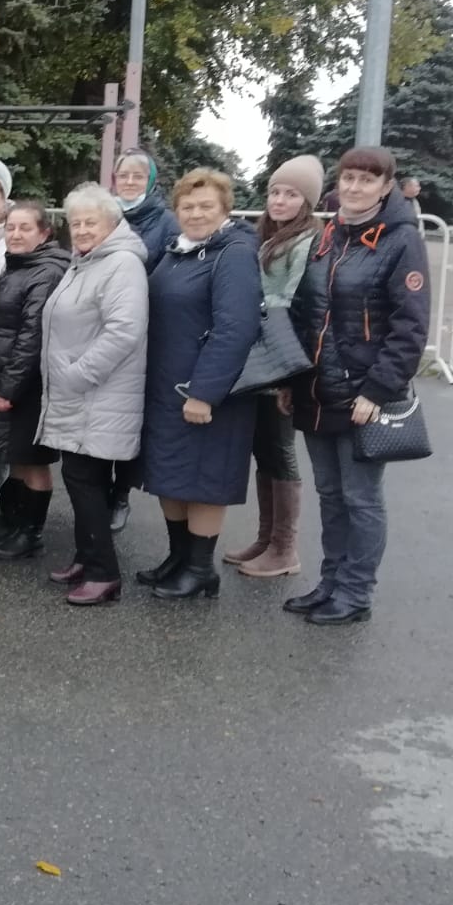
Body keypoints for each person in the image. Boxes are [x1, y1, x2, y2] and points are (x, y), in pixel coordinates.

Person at [282, 146, 429, 624]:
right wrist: (291, 378)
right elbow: (308, 313)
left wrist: (378, 391)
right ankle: (331, 584)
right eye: (348, 178)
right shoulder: (328, 234)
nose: (354, 187)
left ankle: (356, 593)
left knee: (361, 498)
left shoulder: (400, 240)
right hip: (318, 390)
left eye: (367, 180)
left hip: (364, 396)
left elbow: (410, 327)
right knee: (330, 494)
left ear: (386, 186)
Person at [137, 168, 263, 600]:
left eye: (206, 205)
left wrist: (205, 392)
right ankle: (178, 558)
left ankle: (200, 568)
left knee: (205, 479)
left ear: (225, 209)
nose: (196, 213)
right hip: (165, 387)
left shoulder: (234, 253)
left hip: (208, 393)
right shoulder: (179, 251)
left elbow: (237, 327)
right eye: (187, 206)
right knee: (169, 474)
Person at [35, 184, 149, 605]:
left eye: (91, 222)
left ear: (113, 223)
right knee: (85, 478)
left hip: (96, 394)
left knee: (84, 480)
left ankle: (104, 573)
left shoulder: (120, 264)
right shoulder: (85, 262)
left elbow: (125, 330)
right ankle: (88, 557)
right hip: (80, 393)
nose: (81, 230)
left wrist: (79, 375)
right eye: (76, 222)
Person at [223, 155, 323, 579]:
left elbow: (297, 301)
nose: (280, 200)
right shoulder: (271, 236)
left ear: (307, 201)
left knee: (280, 451)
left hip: (280, 359)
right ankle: (266, 539)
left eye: (291, 194)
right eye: (274, 192)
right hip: (260, 356)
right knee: (264, 449)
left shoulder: (306, 242)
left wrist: (289, 378)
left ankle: (285, 549)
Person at [0, 201, 71, 561]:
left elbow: (32, 336)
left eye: (24, 228)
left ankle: (30, 534)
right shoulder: (19, 267)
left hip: (26, 386)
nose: (15, 235)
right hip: (9, 378)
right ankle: (16, 525)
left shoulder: (44, 272)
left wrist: (8, 388)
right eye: (10, 228)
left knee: (33, 460)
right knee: (17, 455)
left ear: (44, 233)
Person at [106, 148, 179, 533]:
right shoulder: (105, 214)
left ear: (150, 180)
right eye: (124, 175)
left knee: (132, 417)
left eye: (138, 175)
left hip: (146, 330)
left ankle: (121, 494)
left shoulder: (166, 221)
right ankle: (101, 491)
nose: (130, 181)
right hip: (101, 327)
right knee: (104, 414)